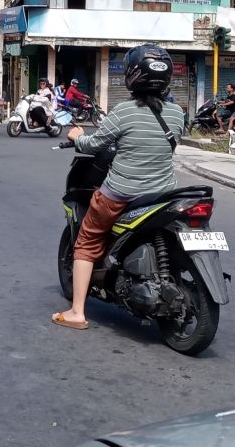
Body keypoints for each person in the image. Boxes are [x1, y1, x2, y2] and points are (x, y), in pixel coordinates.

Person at [52, 44, 186, 331]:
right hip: (164, 195)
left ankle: (77, 312)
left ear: (132, 75)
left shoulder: (124, 112)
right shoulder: (177, 114)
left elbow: (94, 144)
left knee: (86, 242)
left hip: (121, 195)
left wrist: (76, 136)